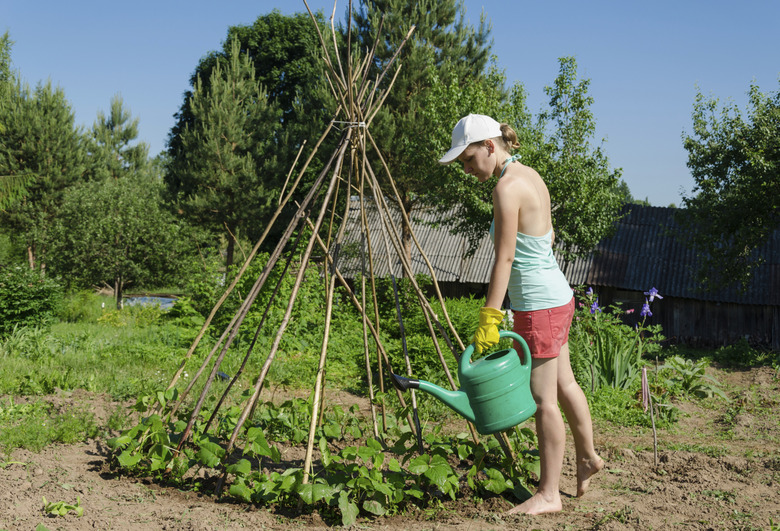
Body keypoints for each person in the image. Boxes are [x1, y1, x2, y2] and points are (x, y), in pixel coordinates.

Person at [439, 114, 604, 515]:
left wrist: (490, 316)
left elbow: (506, 258)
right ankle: (588, 458)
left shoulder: (505, 188)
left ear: (489, 146)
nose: (466, 169)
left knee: (542, 398)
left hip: (538, 305)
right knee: (565, 384)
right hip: (559, 296)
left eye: (467, 159)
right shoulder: (531, 175)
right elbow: (543, 239)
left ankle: (549, 494)